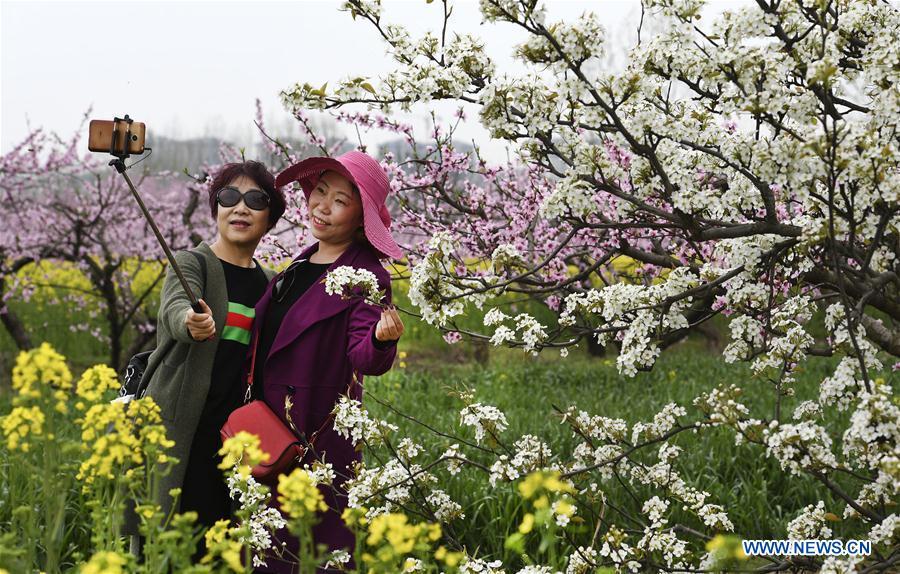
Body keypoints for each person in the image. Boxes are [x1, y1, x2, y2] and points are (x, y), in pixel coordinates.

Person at [251, 150, 404, 573]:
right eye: (320, 191)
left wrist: (381, 340)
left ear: (361, 219)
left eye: (340, 201)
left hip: (315, 434)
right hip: (267, 425)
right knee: (266, 547)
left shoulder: (367, 274)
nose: (322, 206)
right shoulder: (302, 261)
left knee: (314, 550)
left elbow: (364, 356)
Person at [140, 160, 286, 536]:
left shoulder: (271, 284)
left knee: (229, 545)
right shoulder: (193, 264)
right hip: (186, 429)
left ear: (270, 218)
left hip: (239, 437)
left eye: (256, 200)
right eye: (229, 197)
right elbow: (176, 306)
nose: (241, 208)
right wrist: (190, 322)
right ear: (216, 208)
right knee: (173, 539)